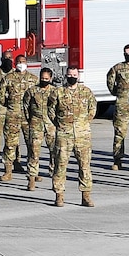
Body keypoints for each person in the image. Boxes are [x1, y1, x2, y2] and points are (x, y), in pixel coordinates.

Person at [51, 66, 97, 208]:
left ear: (78, 76)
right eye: (70, 74)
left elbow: (92, 110)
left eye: (74, 74)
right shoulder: (58, 92)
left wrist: (82, 124)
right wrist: (61, 124)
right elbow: (51, 111)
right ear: (66, 76)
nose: (72, 76)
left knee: (85, 166)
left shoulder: (86, 92)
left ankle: (86, 196)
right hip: (64, 135)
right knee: (60, 166)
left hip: (82, 135)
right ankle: (59, 196)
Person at [11, 67, 58, 190]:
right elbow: (25, 107)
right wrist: (30, 121)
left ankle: (54, 177)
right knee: (33, 153)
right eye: (42, 78)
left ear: (51, 78)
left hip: (50, 126)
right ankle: (32, 178)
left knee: (54, 152)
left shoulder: (56, 91)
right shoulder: (32, 91)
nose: (44, 80)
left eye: (46, 79)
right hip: (36, 125)